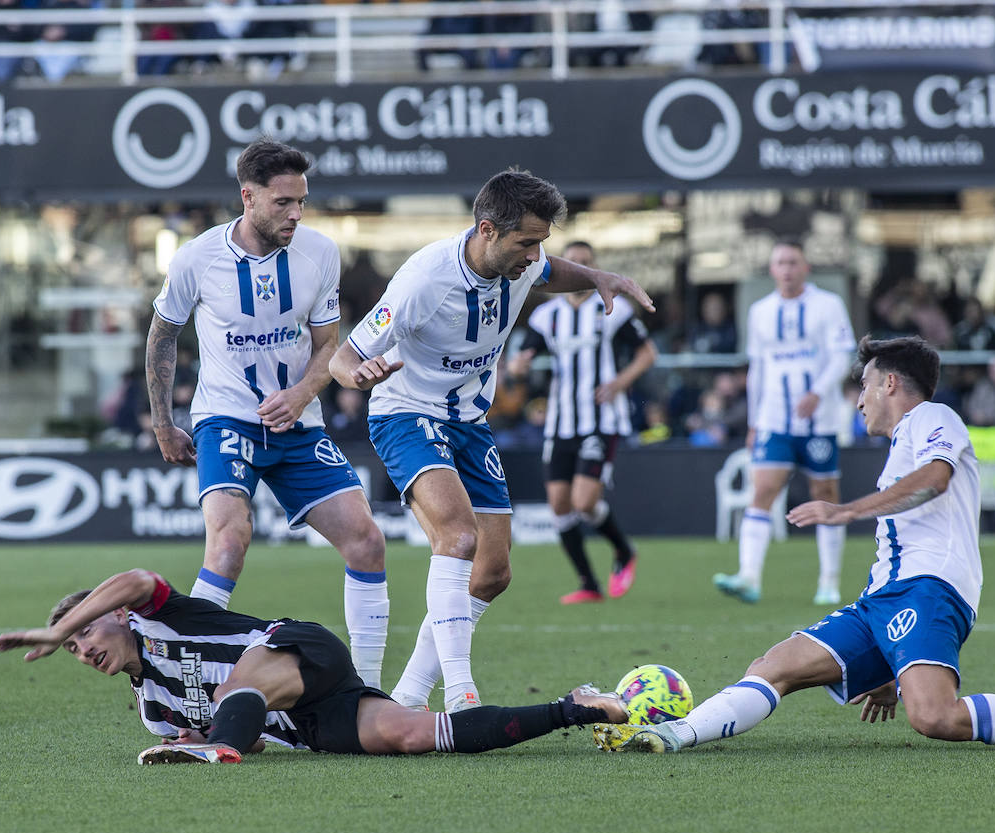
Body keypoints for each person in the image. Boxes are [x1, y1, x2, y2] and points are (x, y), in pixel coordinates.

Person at [595, 335, 995, 755]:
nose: (858, 399)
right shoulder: (901, 440)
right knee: (776, 664)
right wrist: (887, 658)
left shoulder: (933, 417)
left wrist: (845, 510)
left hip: (928, 587)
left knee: (933, 717)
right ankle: (674, 734)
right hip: (884, 598)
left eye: (862, 385)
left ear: (889, 383)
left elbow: (936, 479)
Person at [329, 168, 652, 713]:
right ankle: (462, 693)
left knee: (493, 573)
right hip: (407, 413)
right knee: (457, 537)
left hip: (469, 423)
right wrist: (356, 376)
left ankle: (407, 696)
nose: (534, 255)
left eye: (540, 241)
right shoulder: (424, 280)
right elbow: (345, 355)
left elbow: (551, 271)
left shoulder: (522, 262)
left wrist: (600, 276)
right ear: (487, 230)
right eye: (527, 242)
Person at [145, 138, 393, 692]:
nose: (296, 213)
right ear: (248, 197)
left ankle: (369, 692)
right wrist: (163, 420)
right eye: (283, 202)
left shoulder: (320, 253)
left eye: (302, 201)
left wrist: (304, 392)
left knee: (366, 541)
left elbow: (330, 344)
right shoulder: (196, 258)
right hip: (226, 419)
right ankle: (192, 690)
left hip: (298, 424)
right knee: (229, 542)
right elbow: (163, 334)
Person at [0, 569, 626, 764]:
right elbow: (259, 740)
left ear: (116, 618)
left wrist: (54, 628)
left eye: (84, 634)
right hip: (310, 718)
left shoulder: (160, 614)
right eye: (71, 651)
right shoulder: (151, 710)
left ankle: (218, 748)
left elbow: (134, 578)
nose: (82, 650)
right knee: (413, 735)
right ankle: (576, 707)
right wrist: (193, 739)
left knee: (239, 686)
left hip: (300, 650)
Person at [506, 240, 658, 604]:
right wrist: (517, 366)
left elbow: (647, 352)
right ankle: (588, 583)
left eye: (587, 262)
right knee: (559, 505)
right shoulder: (548, 315)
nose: (580, 268)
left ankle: (623, 549)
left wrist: (619, 383)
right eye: (573, 262)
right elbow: (519, 358)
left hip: (600, 421)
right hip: (561, 422)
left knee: (584, 500)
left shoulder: (612, 310)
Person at [713, 240, 855, 607]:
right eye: (780, 263)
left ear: (805, 267)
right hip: (775, 418)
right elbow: (758, 369)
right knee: (761, 492)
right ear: (772, 269)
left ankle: (829, 582)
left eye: (793, 262)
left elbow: (842, 356)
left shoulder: (828, 305)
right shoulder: (761, 311)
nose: (787, 269)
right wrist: (755, 420)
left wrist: (819, 393)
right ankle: (748, 577)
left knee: (825, 495)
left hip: (819, 421)